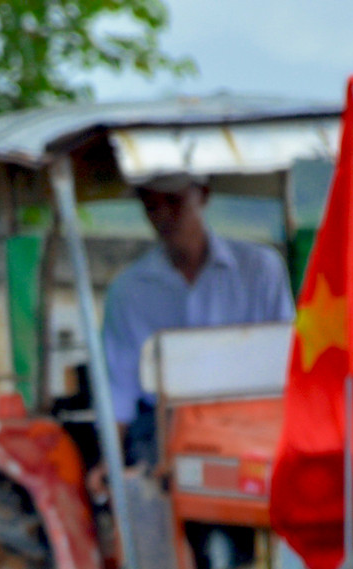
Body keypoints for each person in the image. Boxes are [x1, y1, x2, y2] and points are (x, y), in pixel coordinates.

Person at [101, 175, 297, 461]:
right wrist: (111, 464)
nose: (164, 215)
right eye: (152, 206)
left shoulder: (260, 270)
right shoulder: (127, 290)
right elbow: (120, 390)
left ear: (203, 195)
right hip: (161, 432)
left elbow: (286, 361)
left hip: (254, 425)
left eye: (174, 201)